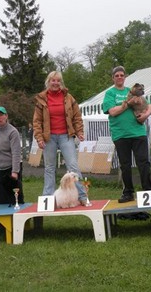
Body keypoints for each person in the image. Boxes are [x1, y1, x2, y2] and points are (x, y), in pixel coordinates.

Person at [102, 66, 151, 203]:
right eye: (117, 75)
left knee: (143, 162)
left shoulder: (132, 91)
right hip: (120, 134)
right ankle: (128, 193)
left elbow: (149, 106)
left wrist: (145, 116)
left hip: (138, 132)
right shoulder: (110, 94)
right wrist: (128, 104)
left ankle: (148, 192)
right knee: (125, 165)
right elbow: (113, 112)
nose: (119, 77)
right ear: (113, 78)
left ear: (125, 77)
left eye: (122, 75)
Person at [33, 71, 87, 204]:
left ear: (61, 82)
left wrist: (79, 131)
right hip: (48, 137)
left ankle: (82, 196)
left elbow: (77, 117)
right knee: (49, 167)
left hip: (66, 135)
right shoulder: (41, 99)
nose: (55, 83)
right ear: (48, 82)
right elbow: (37, 121)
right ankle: (48, 198)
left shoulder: (69, 98)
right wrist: (39, 138)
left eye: (58, 80)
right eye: (53, 80)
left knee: (73, 166)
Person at [0, 106, 24, 205]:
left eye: (1, 115)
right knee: (0, 197)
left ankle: (18, 217)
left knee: (15, 196)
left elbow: (16, 152)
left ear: (6, 116)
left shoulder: (13, 132)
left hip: (10, 167)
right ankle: (1, 220)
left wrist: (15, 171)